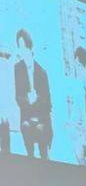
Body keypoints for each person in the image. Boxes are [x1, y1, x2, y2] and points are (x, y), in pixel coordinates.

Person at [14, 28, 53, 159]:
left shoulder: (42, 72)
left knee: (41, 131)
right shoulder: (17, 69)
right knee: (26, 127)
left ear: (31, 49)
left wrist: (36, 99)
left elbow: (48, 103)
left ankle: (44, 158)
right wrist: (29, 101)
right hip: (27, 116)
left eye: (24, 48)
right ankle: (30, 158)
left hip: (41, 118)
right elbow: (18, 97)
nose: (22, 52)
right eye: (20, 48)